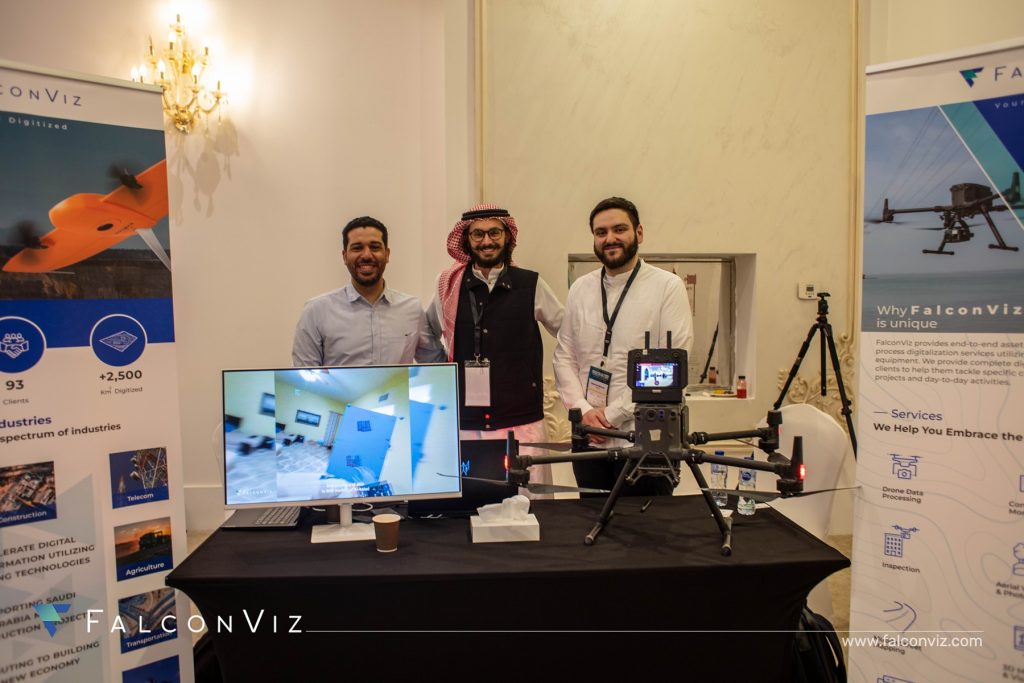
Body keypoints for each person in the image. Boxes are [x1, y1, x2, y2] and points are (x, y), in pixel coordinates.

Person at [553, 196, 693, 496]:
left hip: (646, 437)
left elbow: (670, 368)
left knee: (645, 522)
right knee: (590, 515)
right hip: (589, 437)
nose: (610, 238)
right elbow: (564, 355)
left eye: (619, 229)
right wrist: (583, 411)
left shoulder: (667, 287)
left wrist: (612, 415)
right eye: (601, 232)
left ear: (638, 233)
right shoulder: (580, 289)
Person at [427, 203, 563, 492]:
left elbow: (567, 331)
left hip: (522, 420)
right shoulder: (449, 286)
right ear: (466, 240)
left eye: (494, 233)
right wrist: (445, 372)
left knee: (529, 500)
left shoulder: (530, 284)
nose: (486, 241)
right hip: (467, 422)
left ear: (507, 237)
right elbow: (427, 332)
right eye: (478, 234)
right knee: (473, 500)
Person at [292, 216, 444, 366]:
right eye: (357, 248)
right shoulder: (316, 311)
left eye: (375, 247)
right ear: (344, 256)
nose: (366, 255)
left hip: (398, 385)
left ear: (387, 254)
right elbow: (303, 375)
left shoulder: (412, 309)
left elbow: (437, 365)